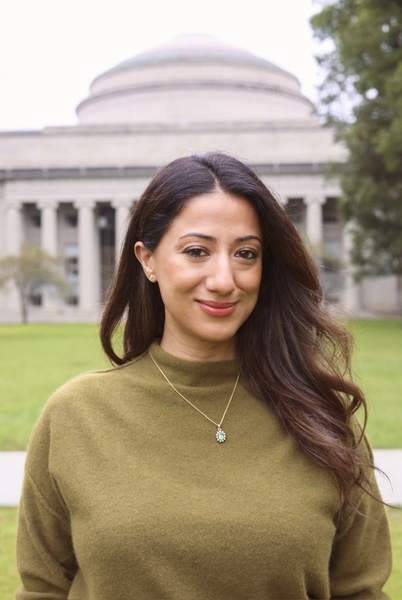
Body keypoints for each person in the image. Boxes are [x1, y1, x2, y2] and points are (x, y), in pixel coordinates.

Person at [16, 152, 392, 599]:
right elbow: (42, 590)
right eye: (197, 251)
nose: (223, 279)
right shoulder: (75, 415)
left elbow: (361, 591)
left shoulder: (323, 418)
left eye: (246, 254)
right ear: (148, 259)